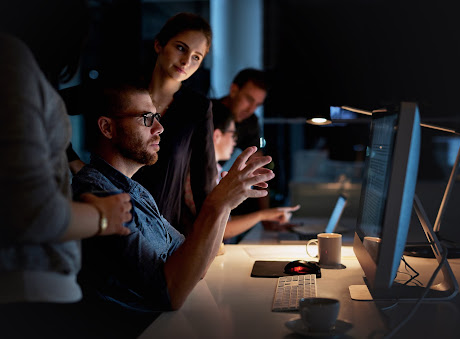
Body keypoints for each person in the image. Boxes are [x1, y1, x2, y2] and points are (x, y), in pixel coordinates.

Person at [71, 83, 274, 330]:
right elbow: (171, 294)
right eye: (146, 119)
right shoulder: (97, 193)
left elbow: (194, 266)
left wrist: (227, 201)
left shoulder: (137, 190)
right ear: (107, 128)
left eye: (156, 117)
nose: (159, 128)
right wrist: (218, 205)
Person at [0, 1, 133, 337]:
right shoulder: (12, 63)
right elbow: (32, 212)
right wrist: (103, 216)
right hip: (29, 294)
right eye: (147, 118)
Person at [132, 13, 217, 236]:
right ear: (159, 44)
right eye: (181, 48)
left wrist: (210, 235)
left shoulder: (197, 108)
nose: (186, 61)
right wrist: (74, 163)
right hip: (111, 222)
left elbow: (204, 184)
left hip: (164, 233)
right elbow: (55, 107)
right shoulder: (125, 93)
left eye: (197, 57)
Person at [212, 107, 300, 241]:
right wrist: (263, 215)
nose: (235, 141)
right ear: (217, 136)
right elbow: (221, 228)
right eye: (233, 134)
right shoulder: (205, 175)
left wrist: (265, 215)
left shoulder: (216, 170)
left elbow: (222, 222)